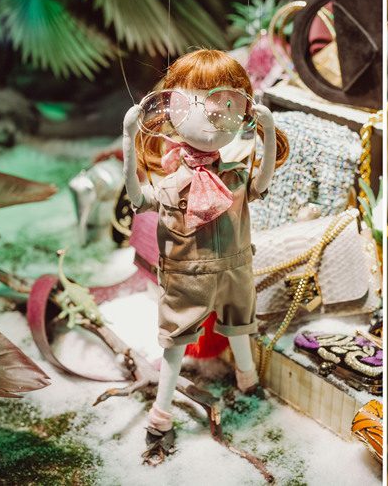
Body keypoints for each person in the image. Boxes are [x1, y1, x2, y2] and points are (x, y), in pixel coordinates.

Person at [121, 49, 288, 464]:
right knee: (175, 345)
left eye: (226, 103)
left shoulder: (234, 176)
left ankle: (247, 379)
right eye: (193, 101)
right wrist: (128, 141)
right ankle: (161, 411)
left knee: (241, 327)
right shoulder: (173, 181)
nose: (210, 115)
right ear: (170, 107)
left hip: (235, 267)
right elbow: (138, 199)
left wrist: (266, 133)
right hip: (185, 275)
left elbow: (262, 182)